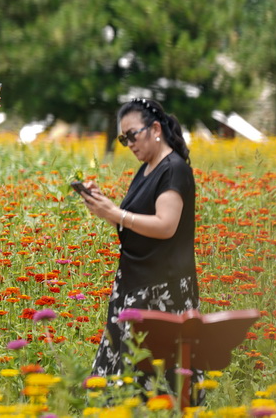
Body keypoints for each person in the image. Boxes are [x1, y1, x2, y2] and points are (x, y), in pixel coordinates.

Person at [76, 97, 199, 391]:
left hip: (162, 290)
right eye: (123, 138)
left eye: (133, 135)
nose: (129, 143)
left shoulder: (173, 169)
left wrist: (117, 214)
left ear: (155, 128)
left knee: (153, 381)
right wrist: (103, 206)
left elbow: (165, 226)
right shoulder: (147, 169)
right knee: (123, 380)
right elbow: (134, 224)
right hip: (133, 285)